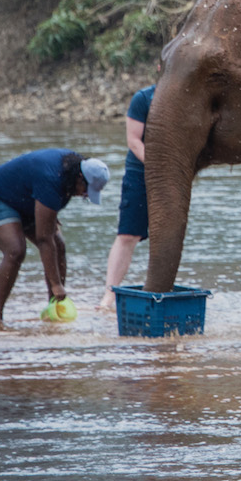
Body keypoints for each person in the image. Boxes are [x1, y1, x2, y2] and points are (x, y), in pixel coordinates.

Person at [0, 148, 109, 326]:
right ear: (79, 177)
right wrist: (56, 283)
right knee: (16, 251)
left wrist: (48, 210)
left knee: (59, 245)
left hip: (27, 197)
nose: (85, 195)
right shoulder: (52, 179)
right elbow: (43, 239)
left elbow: (49, 228)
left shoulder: (72, 171)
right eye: (86, 190)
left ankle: (53, 309)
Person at [99, 82, 154, 310]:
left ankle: (157, 292)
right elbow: (133, 141)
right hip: (140, 172)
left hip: (173, 176)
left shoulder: (192, 96)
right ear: (162, 66)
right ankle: (109, 295)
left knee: (168, 236)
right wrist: (157, 166)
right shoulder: (144, 98)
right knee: (128, 235)